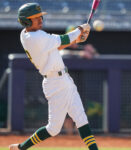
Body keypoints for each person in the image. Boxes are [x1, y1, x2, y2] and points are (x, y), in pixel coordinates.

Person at [9, 3, 99, 150]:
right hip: (55, 83)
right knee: (53, 129)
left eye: (40, 16)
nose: (40, 19)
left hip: (64, 79)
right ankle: (21, 147)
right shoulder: (35, 37)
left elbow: (56, 45)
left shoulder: (27, 34)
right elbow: (63, 40)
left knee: (81, 119)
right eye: (36, 17)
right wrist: (80, 29)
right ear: (26, 21)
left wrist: (76, 39)